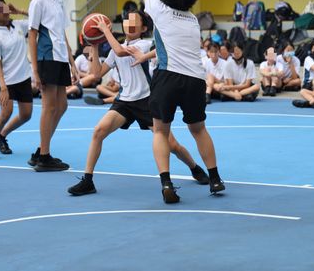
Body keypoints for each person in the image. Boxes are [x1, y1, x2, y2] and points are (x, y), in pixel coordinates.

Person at [67, 12, 210, 196]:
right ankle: (88, 180)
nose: (129, 24)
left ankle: (194, 167)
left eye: (135, 22)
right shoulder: (114, 48)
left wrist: (103, 30)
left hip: (147, 100)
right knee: (98, 131)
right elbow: (96, 74)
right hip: (124, 102)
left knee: (172, 145)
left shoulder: (144, 44)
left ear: (143, 29)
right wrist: (94, 45)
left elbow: (120, 51)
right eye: (127, 20)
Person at [129, 0, 224, 203]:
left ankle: (167, 184)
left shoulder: (159, 11)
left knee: (160, 131)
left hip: (168, 78)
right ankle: (215, 178)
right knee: (199, 129)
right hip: (195, 79)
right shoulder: (194, 20)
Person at [27, 0, 79, 171]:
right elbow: (32, 34)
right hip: (46, 57)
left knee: (63, 105)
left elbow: (62, 32)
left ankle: (41, 150)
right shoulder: (38, 0)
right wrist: (35, 69)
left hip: (60, 57)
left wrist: (72, 61)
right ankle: (44, 157)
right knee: (49, 106)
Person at [0, 0, 33, 160]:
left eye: (5, 6)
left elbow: (39, 19)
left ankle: (0, 136)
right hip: (7, 81)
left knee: (26, 115)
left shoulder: (18, 25)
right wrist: (3, 87)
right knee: (5, 113)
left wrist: (20, 11)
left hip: (24, 77)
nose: (4, 9)